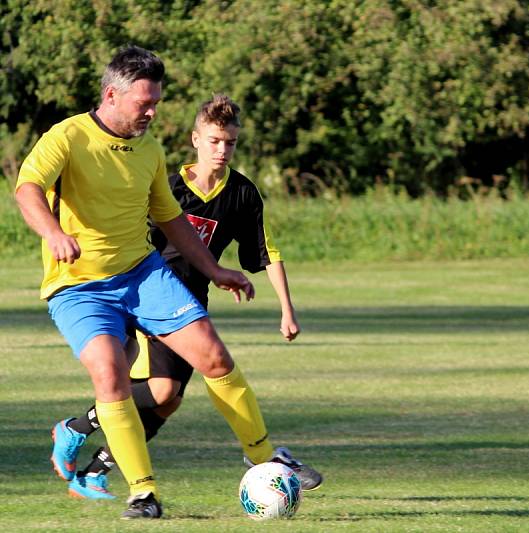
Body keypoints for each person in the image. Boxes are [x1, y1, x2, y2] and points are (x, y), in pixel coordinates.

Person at [18, 46, 285, 519]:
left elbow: (170, 216)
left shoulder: (151, 149)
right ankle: (142, 493)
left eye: (156, 101)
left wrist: (215, 269)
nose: (152, 111)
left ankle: (267, 462)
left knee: (214, 357)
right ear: (111, 95)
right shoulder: (67, 137)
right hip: (79, 286)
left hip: (143, 273)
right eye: (145, 102)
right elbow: (27, 189)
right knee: (110, 373)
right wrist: (53, 232)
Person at [52, 94, 322, 501]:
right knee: (155, 390)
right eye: (214, 141)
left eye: (229, 142)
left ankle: (92, 465)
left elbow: (265, 252)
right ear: (195, 139)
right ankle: (83, 437)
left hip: (185, 302)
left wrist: (287, 309)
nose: (222, 149)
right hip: (143, 288)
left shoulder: (243, 194)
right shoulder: (168, 183)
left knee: (166, 400)